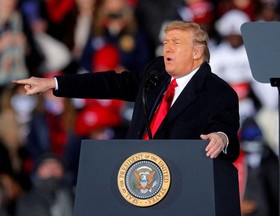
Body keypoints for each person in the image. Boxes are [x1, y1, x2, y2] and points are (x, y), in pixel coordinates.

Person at [13, 20, 240, 162]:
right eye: (166, 42)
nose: (167, 47)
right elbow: (109, 83)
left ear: (197, 52)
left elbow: (226, 134)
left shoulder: (219, 92)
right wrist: (54, 83)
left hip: (181, 185)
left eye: (176, 43)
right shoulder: (156, 72)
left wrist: (221, 138)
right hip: (135, 176)